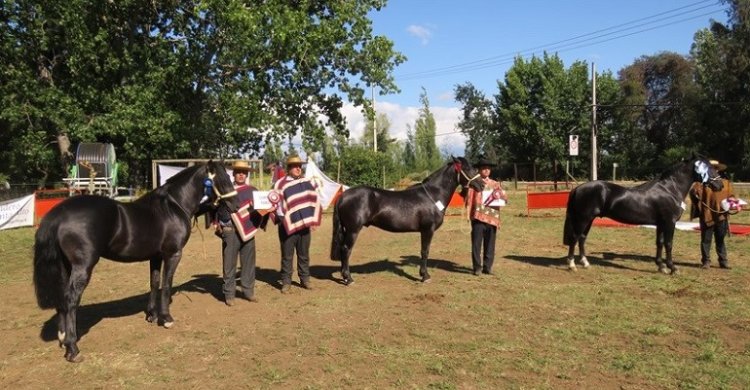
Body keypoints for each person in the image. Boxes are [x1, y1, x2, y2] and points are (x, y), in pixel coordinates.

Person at [271, 155, 321, 293]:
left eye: (300, 166)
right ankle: (286, 282)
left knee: (304, 254)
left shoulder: (306, 182)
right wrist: (281, 219)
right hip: (287, 225)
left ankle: (305, 279)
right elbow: (274, 203)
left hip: (305, 226)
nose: (298, 168)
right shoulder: (280, 184)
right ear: (289, 168)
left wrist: (313, 220)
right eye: (295, 166)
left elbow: (313, 200)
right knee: (287, 255)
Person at [216, 160, 260, 306]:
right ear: (233, 174)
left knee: (248, 262)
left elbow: (261, 210)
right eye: (238, 172)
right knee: (229, 263)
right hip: (230, 230)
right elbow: (217, 209)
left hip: (248, 230)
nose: (241, 175)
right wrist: (219, 224)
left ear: (246, 175)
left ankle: (248, 291)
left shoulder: (253, 191)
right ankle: (229, 294)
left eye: (244, 172)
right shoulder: (225, 191)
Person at [465, 156, 508, 276]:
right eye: (484, 168)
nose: (486, 170)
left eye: (488, 168)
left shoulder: (496, 184)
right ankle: (477, 267)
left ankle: (488, 267)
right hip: (478, 217)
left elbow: (504, 199)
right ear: (479, 170)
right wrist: (469, 214)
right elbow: (469, 199)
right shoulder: (474, 183)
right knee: (476, 243)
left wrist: (504, 197)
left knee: (490, 244)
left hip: (492, 217)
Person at [690, 159, 736, 270]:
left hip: (721, 216)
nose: (713, 170)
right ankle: (706, 261)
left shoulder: (726, 183)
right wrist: (695, 191)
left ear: (718, 170)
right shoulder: (701, 184)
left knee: (720, 240)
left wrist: (734, 204)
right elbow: (693, 194)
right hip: (707, 216)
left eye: (715, 168)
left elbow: (732, 197)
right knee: (706, 240)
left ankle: (723, 261)